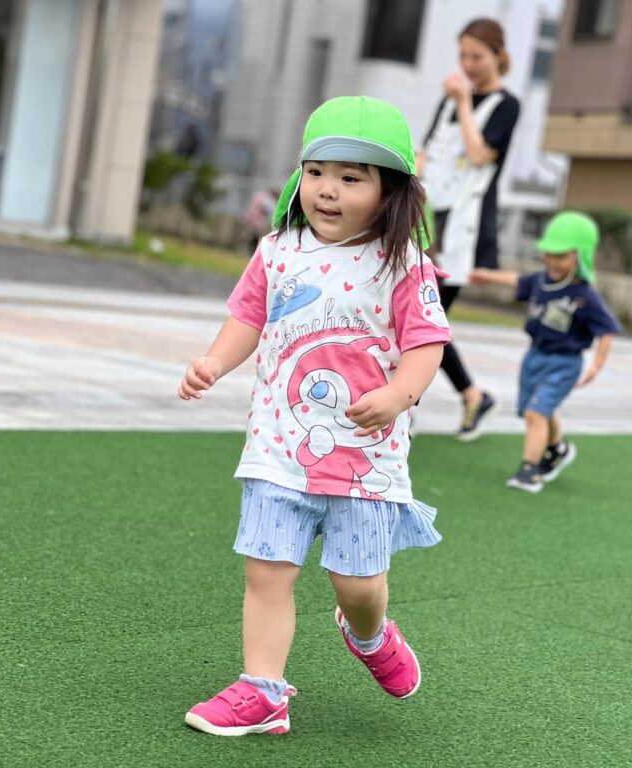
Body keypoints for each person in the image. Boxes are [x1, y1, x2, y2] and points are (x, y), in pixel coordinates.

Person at [176, 96, 452, 736]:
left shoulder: (404, 263)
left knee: (358, 586)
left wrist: (400, 395)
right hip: (278, 448)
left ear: (391, 191)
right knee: (266, 574)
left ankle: (369, 633)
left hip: (365, 461)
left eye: (352, 178)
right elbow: (248, 316)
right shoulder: (278, 250)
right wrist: (215, 361)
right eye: (317, 172)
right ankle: (262, 691)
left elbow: (426, 343)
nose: (328, 190)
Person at [417, 18, 521, 441]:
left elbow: (480, 155)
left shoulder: (506, 105)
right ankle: (472, 396)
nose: (469, 64)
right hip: (428, 222)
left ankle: (409, 408)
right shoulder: (448, 100)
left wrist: (462, 102)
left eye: (477, 56)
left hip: (463, 229)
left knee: (424, 322)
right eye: (463, 55)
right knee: (422, 321)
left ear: (498, 55)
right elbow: (426, 154)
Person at [470, 211, 621, 493]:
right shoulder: (541, 280)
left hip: (565, 363)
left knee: (535, 413)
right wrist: (488, 276)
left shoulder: (585, 296)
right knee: (539, 408)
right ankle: (557, 449)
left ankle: (529, 470)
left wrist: (596, 366)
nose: (551, 261)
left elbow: (607, 331)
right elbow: (517, 280)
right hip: (535, 357)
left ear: (580, 256)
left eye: (560, 255)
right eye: (548, 253)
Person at [242, 187, 279, 252]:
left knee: (252, 235)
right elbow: (270, 211)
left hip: (249, 216)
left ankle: (250, 248)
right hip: (257, 220)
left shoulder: (259, 195)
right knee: (255, 235)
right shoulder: (269, 200)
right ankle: (252, 249)